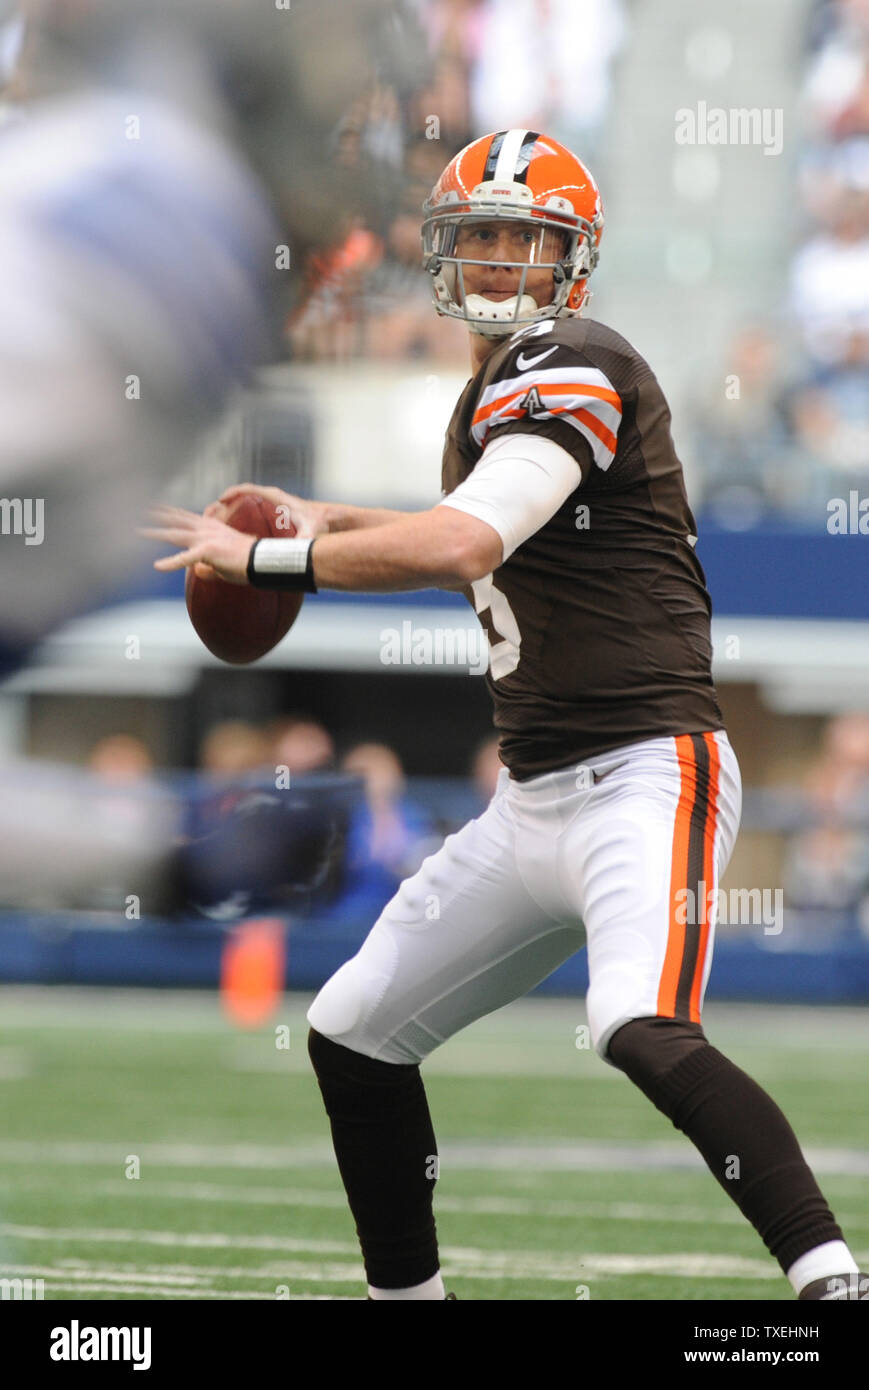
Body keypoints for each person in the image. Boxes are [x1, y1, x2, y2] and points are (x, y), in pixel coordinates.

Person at [145, 129, 866, 1302]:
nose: (490, 256)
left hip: (647, 767)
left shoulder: (574, 357)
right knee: (353, 1031)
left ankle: (831, 1280)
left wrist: (276, 557)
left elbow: (464, 540)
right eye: (474, 232)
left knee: (636, 1021)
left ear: (567, 261)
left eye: (516, 237)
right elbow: (457, 517)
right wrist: (303, 513)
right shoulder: (498, 387)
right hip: (531, 797)